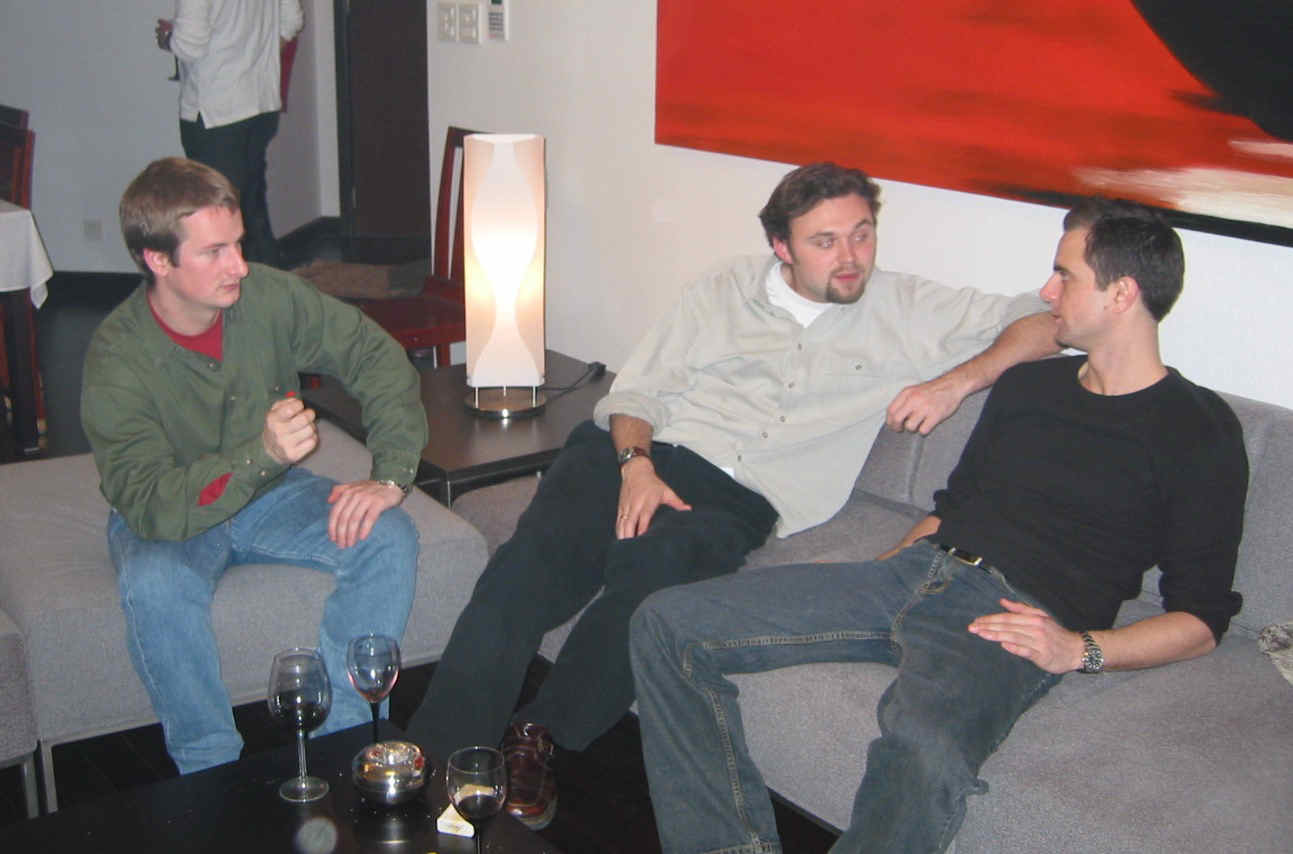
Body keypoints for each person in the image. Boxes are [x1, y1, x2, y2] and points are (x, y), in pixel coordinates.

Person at [406, 162, 1059, 829]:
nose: (850, 256)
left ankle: (538, 739)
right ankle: (434, 760)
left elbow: (1049, 322)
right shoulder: (723, 289)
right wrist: (636, 466)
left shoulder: (909, 307)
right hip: (634, 454)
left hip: (736, 498)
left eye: (861, 234)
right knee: (526, 574)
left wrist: (957, 383)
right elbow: (638, 390)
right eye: (825, 241)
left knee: (651, 587)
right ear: (781, 246)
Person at [629, 199, 1248, 853]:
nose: (1046, 292)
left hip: (1011, 617)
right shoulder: (1031, 387)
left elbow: (1201, 620)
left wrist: (1079, 650)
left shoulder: (1197, 430)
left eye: (1064, 275)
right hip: (914, 572)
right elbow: (955, 504)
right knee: (666, 622)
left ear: (1121, 294)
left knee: (925, 750)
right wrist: (881, 572)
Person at [82, 157, 428, 774]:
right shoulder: (117, 357)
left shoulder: (267, 296)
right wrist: (261, 453)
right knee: (156, 583)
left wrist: (391, 475)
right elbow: (150, 503)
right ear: (157, 260)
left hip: (272, 494)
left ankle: (345, 744)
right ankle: (210, 773)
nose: (238, 266)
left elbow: (373, 355)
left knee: (389, 535)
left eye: (238, 244)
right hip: (177, 512)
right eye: (214, 252)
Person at [155, 0, 304, 267]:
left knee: (218, 217)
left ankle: (233, 288)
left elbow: (189, 44)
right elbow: (292, 20)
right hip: (259, 101)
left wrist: (167, 38)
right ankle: (270, 285)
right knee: (251, 210)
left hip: (216, 111)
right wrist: (253, 57)